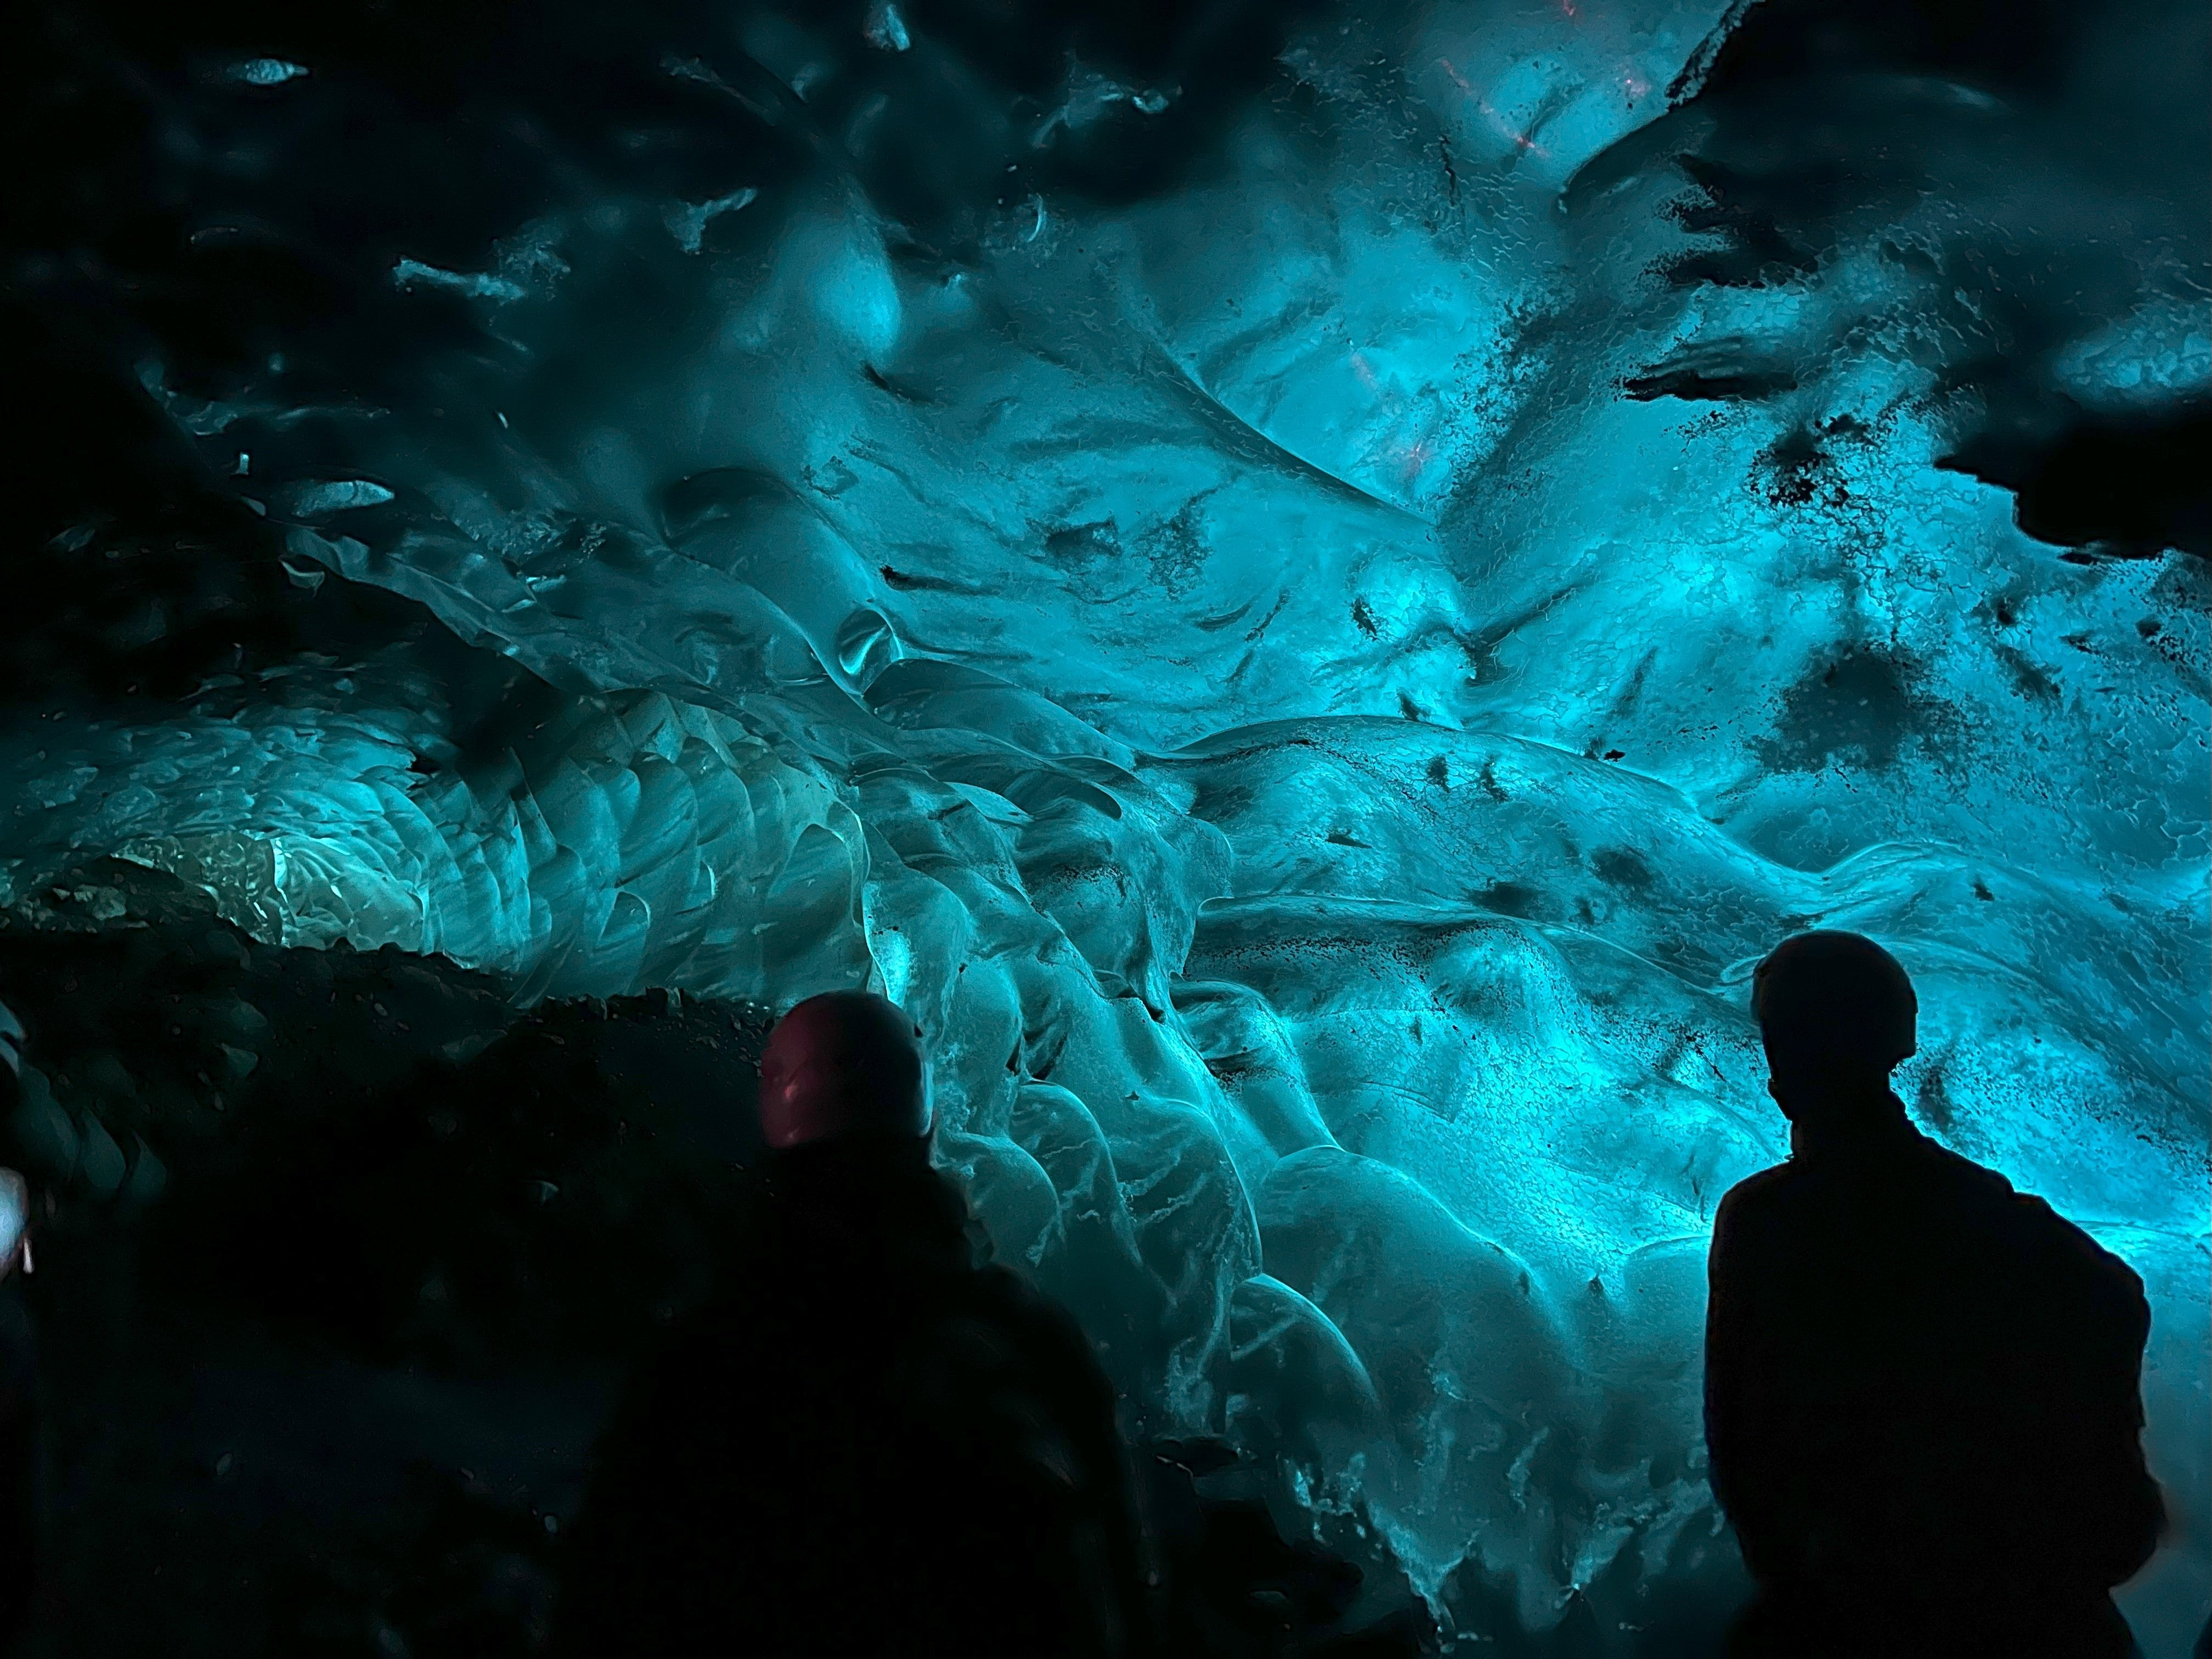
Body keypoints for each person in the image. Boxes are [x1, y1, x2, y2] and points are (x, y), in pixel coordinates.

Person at [557, 990, 1151, 1657]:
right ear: (922, 1122)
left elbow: (606, 1592)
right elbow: (1123, 1585)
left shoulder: (710, 1359)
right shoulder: (1026, 1340)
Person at [1705, 932, 2165, 1658]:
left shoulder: (1768, 1220)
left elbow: (1747, 1453)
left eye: (1782, 1036)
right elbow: (2113, 1296)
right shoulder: (1994, 1215)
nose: (1774, 1067)